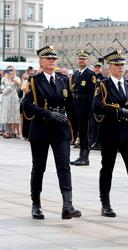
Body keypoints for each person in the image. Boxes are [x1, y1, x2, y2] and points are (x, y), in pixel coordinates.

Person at [22, 45, 81, 220]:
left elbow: (70, 106)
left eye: (54, 59)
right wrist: (48, 113)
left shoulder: (63, 80)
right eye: (48, 59)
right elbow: (27, 105)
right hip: (41, 128)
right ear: (41, 61)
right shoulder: (34, 81)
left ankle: (67, 205)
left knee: (64, 166)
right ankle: (36, 204)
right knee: (39, 168)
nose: (52, 61)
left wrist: (77, 130)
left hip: (60, 128)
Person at [93, 50, 128, 218]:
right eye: (117, 65)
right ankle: (106, 203)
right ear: (109, 67)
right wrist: (120, 111)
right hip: (110, 132)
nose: (120, 68)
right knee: (107, 168)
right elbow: (96, 107)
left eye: (122, 65)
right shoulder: (102, 85)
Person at [69, 50, 96, 166]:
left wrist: (90, 111)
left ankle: (85, 157)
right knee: (79, 132)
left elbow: (91, 95)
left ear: (88, 61)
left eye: (83, 59)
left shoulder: (90, 75)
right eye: (80, 59)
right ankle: (81, 155)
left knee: (85, 133)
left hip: (85, 108)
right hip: (77, 107)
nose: (81, 61)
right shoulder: (76, 74)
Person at [0, 66, 21, 138]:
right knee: (8, 115)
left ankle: (17, 132)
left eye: (11, 70)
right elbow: (2, 85)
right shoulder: (4, 78)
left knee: (15, 114)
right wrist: (3, 74)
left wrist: (12, 78)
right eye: (8, 70)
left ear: (14, 70)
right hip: (6, 97)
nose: (10, 71)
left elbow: (19, 84)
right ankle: (9, 132)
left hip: (14, 97)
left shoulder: (16, 78)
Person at [90, 58, 106, 150]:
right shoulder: (91, 78)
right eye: (95, 67)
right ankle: (93, 141)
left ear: (101, 68)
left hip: (98, 104)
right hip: (91, 104)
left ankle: (97, 142)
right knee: (92, 125)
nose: (97, 69)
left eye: (99, 67)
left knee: (98, 124)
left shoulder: (103, 79)